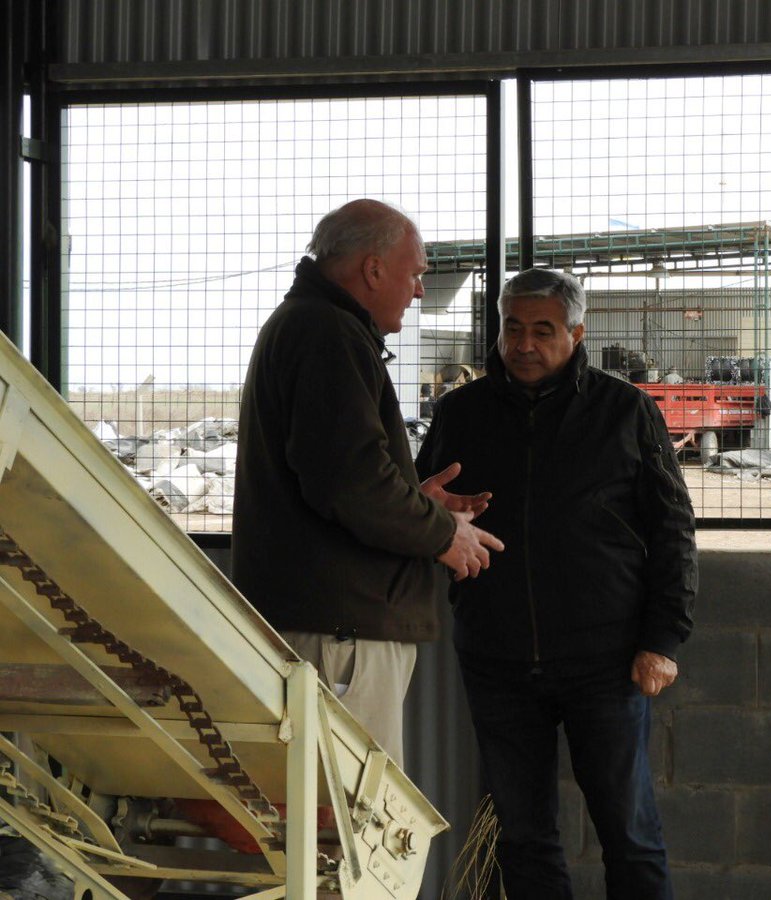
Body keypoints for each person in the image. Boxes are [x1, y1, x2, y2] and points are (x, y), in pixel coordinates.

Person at [416, 267, 697, 900]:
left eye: (543, 331)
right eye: (513, 328)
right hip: (497, 659)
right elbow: (416, 506)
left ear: (576, 333)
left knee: (630, 832)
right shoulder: (462, 413)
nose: (524, 344)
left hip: (608, 660)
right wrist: (432, 522)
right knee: (522, 836)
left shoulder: (625, 410)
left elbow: (674, 530)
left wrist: (663, 639)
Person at [232, 198, 503, 767]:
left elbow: (340, 474)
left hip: (329, 626)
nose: (420, 290)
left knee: (325, 815)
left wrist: (413, 499)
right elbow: (350, 486)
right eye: (416, 273)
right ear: (374, 269)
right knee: (349, 827)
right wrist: (440, 533)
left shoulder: (311, 324)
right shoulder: (328, 334)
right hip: (339, 637)